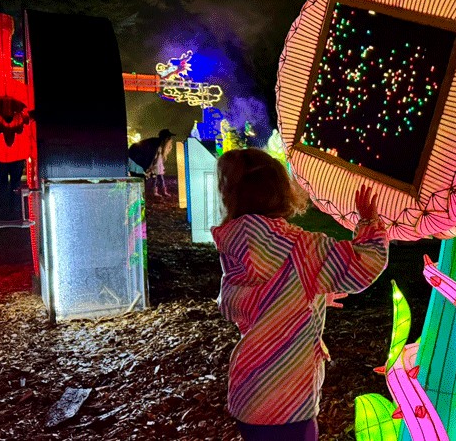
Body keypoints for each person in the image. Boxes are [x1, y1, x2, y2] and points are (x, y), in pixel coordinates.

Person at [211, 148, 388, 441]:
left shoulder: (234, 245)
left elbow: (238, 304)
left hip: (248, 395)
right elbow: (364, 263)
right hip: (288, 401)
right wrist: (369, 222)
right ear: (281, 191)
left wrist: (300, 294)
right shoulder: (301, 248)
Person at [127, 129, 175, 196]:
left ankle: (137, 196)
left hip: (135, 159)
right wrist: (147, 170)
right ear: (166, 139)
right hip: (135, 160)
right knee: (139, 181)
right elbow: (149, 158)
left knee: (140, 182)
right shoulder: (154, 144)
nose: (171, 140)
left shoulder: (157, 143)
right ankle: (135, 197)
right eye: (169, 138)